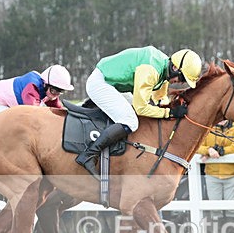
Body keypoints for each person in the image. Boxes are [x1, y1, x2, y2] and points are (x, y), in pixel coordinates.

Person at [75, 47, 202, 177]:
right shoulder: (151, 70)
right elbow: (140, 107)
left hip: (114, 86)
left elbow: (159, 99)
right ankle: (89, 154)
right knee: (131, 121)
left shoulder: (164, 68)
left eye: (183, 82)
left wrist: (172, 108)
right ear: (175, 68)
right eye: (181, 78)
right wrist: (170, 113)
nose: (179, 83)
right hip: (101, 83)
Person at [0, 64, 74, 120]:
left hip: (7, 107)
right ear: (45, 84)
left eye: (60, 92)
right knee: (17, 122)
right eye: (54, 91)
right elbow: (35, 113)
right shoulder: (32, 86)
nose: (55, 95)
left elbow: (59, 110)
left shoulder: (48, 90)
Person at [197, 120, 234, 228]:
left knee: (231, 207)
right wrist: (209, 150)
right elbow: (198, 146)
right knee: (214, 207)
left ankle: (231, 232)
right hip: (212, 174)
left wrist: (219, 151)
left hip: (231, 173)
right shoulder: (208, 127)